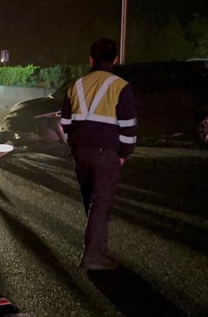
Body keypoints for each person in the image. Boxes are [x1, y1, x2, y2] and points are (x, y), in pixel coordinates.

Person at [60, 38, 137, 271]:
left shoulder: (76, 85)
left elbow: (64, 122)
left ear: (90, 59)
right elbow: (129, 127)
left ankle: (99, 249)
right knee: (101, 203)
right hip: (106, 153)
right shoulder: (120, 86)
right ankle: (93, 256)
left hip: (80, 152)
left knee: (91, 202)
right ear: (115, 59)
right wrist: (124, 154)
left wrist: (75, 145)